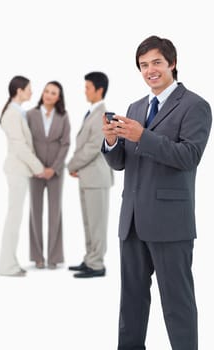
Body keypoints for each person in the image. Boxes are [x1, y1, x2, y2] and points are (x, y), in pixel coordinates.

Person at [102, 35, 212, 349]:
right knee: (131, 303)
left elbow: (189, 156)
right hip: (133, 220)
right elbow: (122, 162)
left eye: (156, 63)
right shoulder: (136, 107)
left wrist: (143, 136)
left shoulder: (195, 106)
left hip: (170, 223)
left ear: (172, 64)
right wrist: (111, 141)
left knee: (177, 304)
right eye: (143, 65)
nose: (150, 70)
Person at [67, 71, 113, 278]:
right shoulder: (91, 113)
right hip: (88, 177)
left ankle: (97, 265)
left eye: (87, 87)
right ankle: (90, 259)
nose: (84, 91)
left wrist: (71, 165)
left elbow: (93, 147)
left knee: (97, 223)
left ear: (99, 90)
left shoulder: (102, 115)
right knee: (88, 222)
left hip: (96, 178)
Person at [0, 76, 45, 277]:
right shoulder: (11, 114)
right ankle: (6, 266)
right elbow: (19, 146)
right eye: (29, 89)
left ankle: (10, 262)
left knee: (15, 218)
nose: (31, 92)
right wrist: (38, 167)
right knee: (13, 219)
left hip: (20, 170)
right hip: (17, 170)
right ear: (19, 90)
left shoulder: (19, 112)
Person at [27, 81, 70, 269]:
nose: (49, 95)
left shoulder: (63, 116)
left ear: (58, 97)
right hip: (34, 170)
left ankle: (53, 257)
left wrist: (54, 168)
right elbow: (26, 142)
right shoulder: (30, 114)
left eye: (53, 93)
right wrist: (36, 166)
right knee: (35, 212)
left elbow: (65, 143)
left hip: (55, 171)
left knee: (55, 212)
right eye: (46, 91)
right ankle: (37, 257)